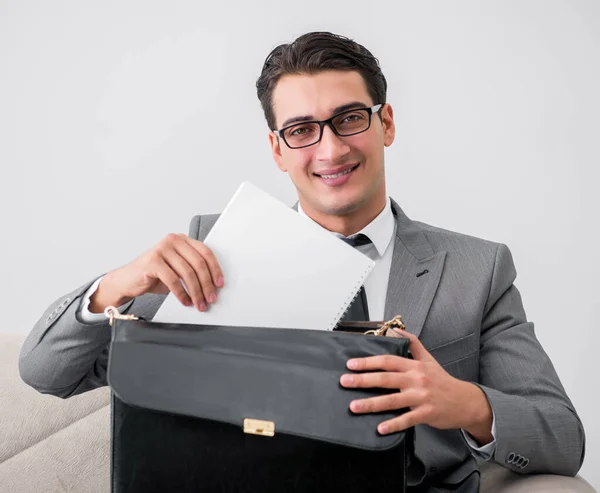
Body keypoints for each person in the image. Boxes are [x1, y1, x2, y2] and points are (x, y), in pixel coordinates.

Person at [20, 31, 584, 492]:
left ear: (385, 123)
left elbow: (562, 435)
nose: (331, 149)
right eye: (301, 130)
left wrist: (461, 401)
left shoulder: (476, 268)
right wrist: (116, 285)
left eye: (349, 119)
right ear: (277, 149)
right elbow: (45, 373)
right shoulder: (217, 249)